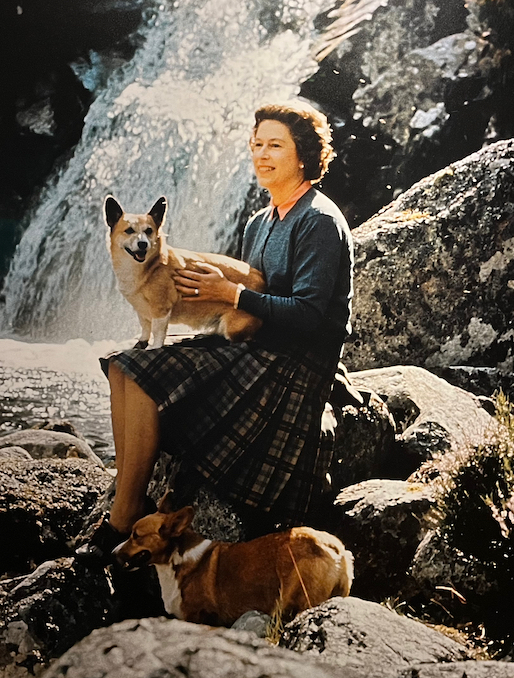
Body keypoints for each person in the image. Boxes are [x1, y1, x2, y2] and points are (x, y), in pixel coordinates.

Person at [80, 101, 354, 570]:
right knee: (123, 365)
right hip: (251, 345)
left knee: (146, 375)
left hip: (292, 366)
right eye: (257, 144)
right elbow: (244, 297)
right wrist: (218, 295)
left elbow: (309, 316)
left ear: (304, 155)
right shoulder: (260, 221)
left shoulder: (320, 221)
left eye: (276, 145)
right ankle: (130, 492)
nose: (262, 154)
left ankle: (122, 518)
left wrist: (230, 293)